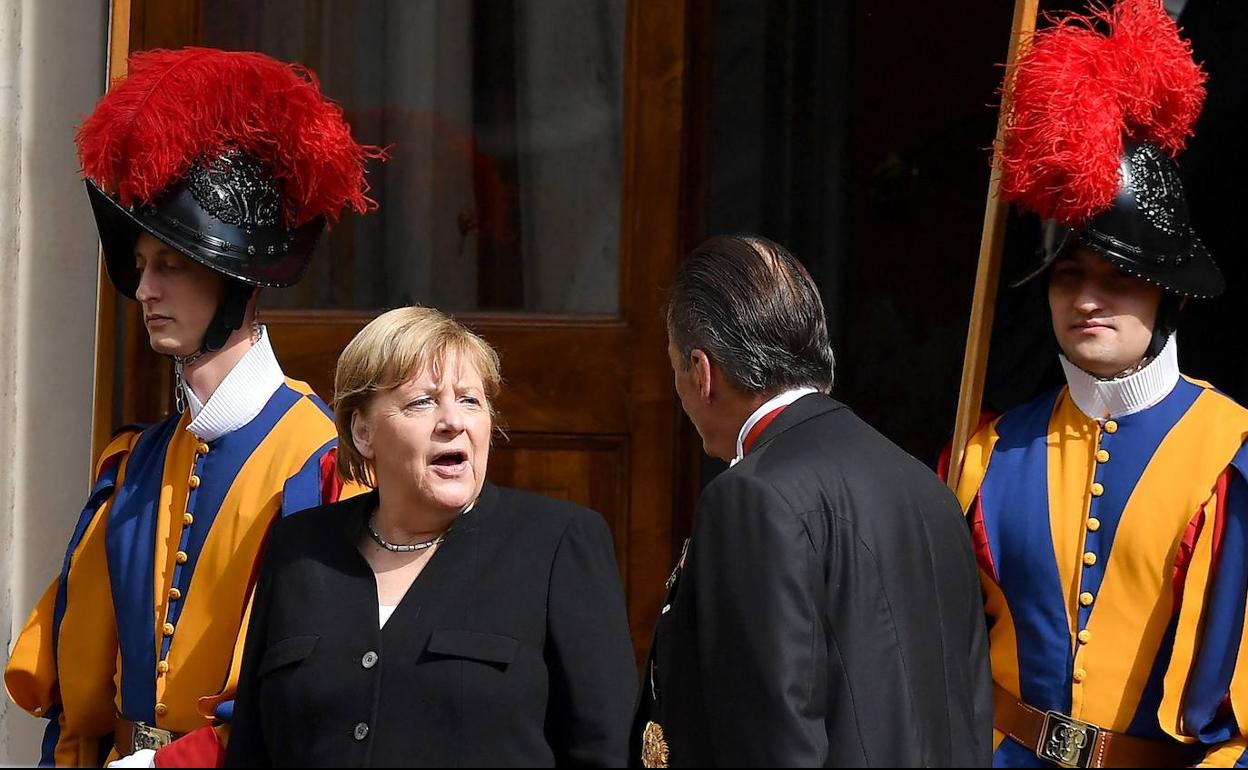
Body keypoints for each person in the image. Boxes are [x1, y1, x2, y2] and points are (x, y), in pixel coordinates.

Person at [3, 47, 382, 767]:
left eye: (171, 266)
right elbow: (76, 693)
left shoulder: (322, 463)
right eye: (142, 265)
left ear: (237, 283)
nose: (145, 289)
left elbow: (309, 697)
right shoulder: (135, 462)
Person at [948, 1, 1248, 766]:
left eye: (1120, 280)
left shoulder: (1231, 458)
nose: (1088, 300)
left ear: (1170, 296)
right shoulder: (987, 451)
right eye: (1068, 276)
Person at [632, 234, 992, 767]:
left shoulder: (749, 497)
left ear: (702, 372)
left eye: (675, 367)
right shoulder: (928, 490)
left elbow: (770, 739)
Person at [224, 306, 637, 768]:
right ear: (362, 431)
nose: (453, 421)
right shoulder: (300, 550)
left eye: (470, 400)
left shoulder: (557, 543)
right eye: (422, 402)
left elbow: (605, 750)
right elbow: (252, 747)